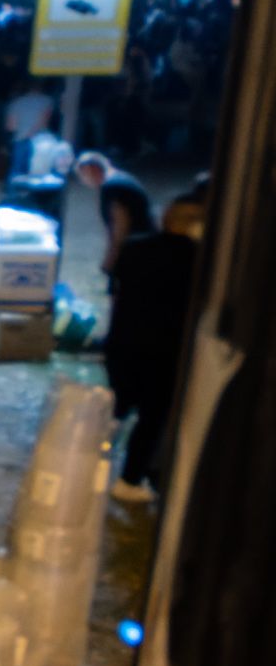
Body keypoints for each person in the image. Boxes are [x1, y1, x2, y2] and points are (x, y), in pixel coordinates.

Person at [105, 194, 204, 501]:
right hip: (164, 350)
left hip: (123, 341)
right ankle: (129, 480)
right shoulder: (199, 261)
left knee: (116, 407)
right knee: (152, 417)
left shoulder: (136, 248)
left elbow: (116, 280)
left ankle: (92, 458)